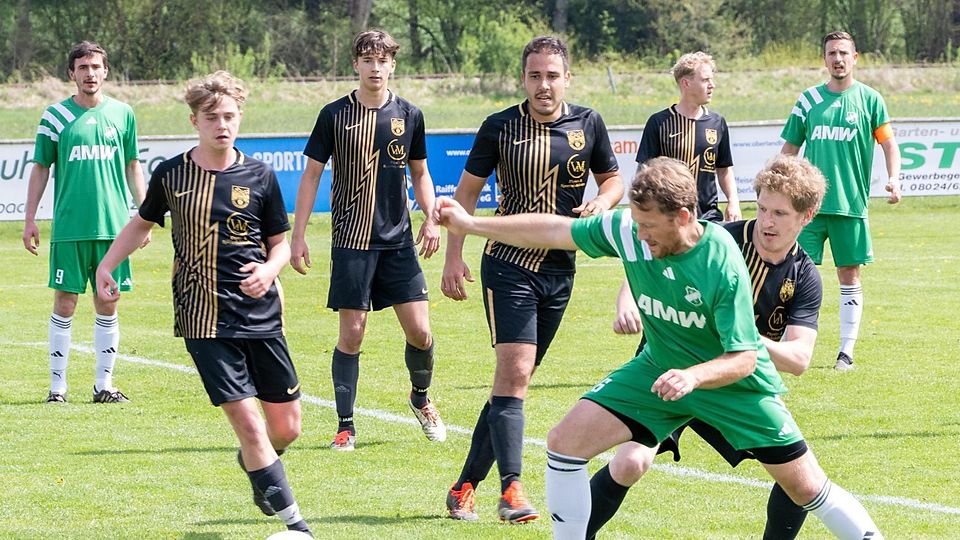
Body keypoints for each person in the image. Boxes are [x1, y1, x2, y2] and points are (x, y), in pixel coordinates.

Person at [436, 156, 883, 540]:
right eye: (638, 223)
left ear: (684, 218)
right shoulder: (632, 229)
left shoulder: (720, 259)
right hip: (658, 368)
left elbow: (746, 357)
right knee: (565, 442)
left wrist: (692, 377)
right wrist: (473, 224)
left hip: (733, 385)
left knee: (807, 489)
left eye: (651, 227)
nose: (641, 235)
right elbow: (559, 231)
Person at [94, 71, 311, 535]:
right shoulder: (172, 175)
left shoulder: (261, 175)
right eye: (212, 117)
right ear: (195, 120)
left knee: (286, 428)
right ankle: (297, 528)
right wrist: (106, 266)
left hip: (262, 315)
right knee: (251, 426)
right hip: (203, 317)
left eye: (230, 116)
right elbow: (142, 224)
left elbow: (281, 244)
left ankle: (258, 466)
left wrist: (270, 271)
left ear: (240, 118)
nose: (222, 125)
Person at [588, 154, 826, 539]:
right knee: (630, 462)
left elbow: (799, 359)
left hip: (734, 380)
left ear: (807, 215)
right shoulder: (720, 238)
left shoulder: (804, 276)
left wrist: (742, 339)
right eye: (762, 208)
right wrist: (627, 301)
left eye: (780, 214)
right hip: (670, 368)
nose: (767, 221)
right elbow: (651, 255)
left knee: (798, 481)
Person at [441, 36, 624, 524]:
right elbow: (466, 193)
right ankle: (512, 490)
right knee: (515, 375)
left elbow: (613, 179)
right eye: (535, 75)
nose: (544, 85)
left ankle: (463, 486)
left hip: (562, 269)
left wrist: (602, 203)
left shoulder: (588, 123)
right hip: (507, 265)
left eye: (552, 75)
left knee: (512, 385)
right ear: (523, 79)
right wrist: (453, 257)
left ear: (567, 78)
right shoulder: (500, 127)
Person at [291, 29, 445, 452]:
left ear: (392, 65)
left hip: (398, 242)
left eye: (383, 60)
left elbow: (420, 172)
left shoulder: (410, 115)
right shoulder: (334, 115)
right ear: (356, 65)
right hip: (351, 240)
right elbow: (311, 175)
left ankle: (421, 399)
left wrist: (431, 219)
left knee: (421, 333)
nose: (375, 68)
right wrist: (299, 235)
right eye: (367, 60)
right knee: (353, 334)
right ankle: (346, 425)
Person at [22, 40, 147, 404]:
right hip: (69, 228)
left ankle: (103, 386)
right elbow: (40, 168)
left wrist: (145, 215)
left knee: (109, 301)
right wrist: (29, 219)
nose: (90, 74)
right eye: (83, 68)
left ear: (105, 71)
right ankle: (57, 388)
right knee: (65, 302)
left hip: (114, 230)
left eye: (96, 67)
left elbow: (133, 166)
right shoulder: (55, 116)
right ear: (71, 73)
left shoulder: (123, 114)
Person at [781, 31, 902, 372]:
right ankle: (788, 347)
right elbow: (788, 152)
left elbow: (889, 145)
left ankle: (845, 352)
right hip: (808, 209)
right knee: (793, 273)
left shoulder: (870, 100)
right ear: (824, 58)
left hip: (851, 205)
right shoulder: (807, 100)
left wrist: (894, 178)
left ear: (855, 57)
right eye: (832, 53)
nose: (838, 59)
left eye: (843, 53)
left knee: (849, 276)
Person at [636, 51, 739, 223]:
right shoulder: (659, 122)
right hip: (670, 216)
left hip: (708, 216)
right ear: (686, 83)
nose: (712, 85)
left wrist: (733, 202)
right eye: (705, 80)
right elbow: (644, 172)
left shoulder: (717, 122)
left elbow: (724, 168)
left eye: (712, 80)